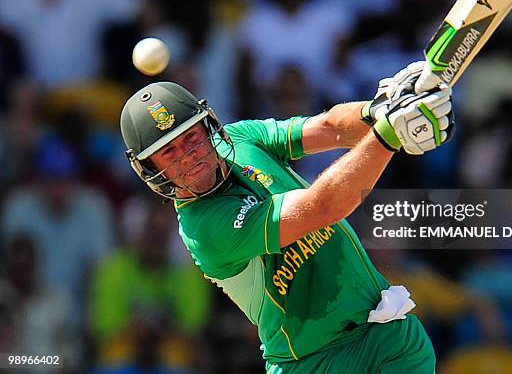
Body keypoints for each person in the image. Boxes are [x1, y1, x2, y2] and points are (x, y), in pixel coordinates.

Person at [119, 61, 454, 373]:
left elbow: (329, 128)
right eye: (169, 152)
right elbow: (323, 207)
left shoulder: (241, 138)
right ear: (152, 169)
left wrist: (379, 109)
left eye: (191, 137)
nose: (188, 157)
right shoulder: (204, 227)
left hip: (388, 330)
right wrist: (388, 134)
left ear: (208, 128)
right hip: (312, 361)